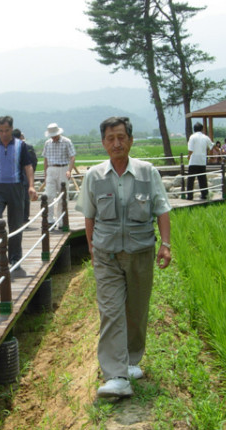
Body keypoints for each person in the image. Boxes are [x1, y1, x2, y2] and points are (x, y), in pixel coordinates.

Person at [75, 116, 171, 399]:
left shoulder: (147, 172)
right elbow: (89, 216)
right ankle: (116, 376)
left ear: (130, 140)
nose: (116, 143)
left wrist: (165, 244)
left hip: (140, 252)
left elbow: (162, 209)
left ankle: (131, 359)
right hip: (107, 254)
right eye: (110, 138)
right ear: (103, 143)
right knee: (110, 311)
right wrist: (92, 248)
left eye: (121, 137)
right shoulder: (94, 176)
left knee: (136, 310)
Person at [0, 116, 37, 275]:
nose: (4, 134)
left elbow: (28, 166)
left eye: (7, 130)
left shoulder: (21, 145)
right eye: (1, 131)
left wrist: (31, 186)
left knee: (15, 225)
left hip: (16, 187)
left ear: (12, 129)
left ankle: (15, 259)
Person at [42, 122, 76, 225]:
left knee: (63, 196)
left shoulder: (66, 141)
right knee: (49, 195)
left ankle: (61, 221)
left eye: (54, 135)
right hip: (51, 169)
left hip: (63, 168)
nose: (53, 137)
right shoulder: (47, 143)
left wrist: (69, 170)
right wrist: (45, 173)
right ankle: (50, 219)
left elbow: (72, 157)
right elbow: (45, 159)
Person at [13, 129, 38, 222]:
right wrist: (30, 173)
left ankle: (21, 217)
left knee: (21, 197)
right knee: (24, 197)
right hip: (22, 176)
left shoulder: (28, 147)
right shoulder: (28, 147)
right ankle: (24, 217)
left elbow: (33, 162)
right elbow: (34, 161)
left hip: (20, 176)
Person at [186, 122, 214, 200]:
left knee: (191, 179)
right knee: (202, 179)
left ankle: (190, 196)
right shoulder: (205, 137)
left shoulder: (192, 137)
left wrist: (189, 156)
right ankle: (204, 195)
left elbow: (190, 149)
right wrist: (210, 155)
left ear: (194, 129)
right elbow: (211, 146)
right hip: (202, 161)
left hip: (193, 161)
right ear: (202, 129)